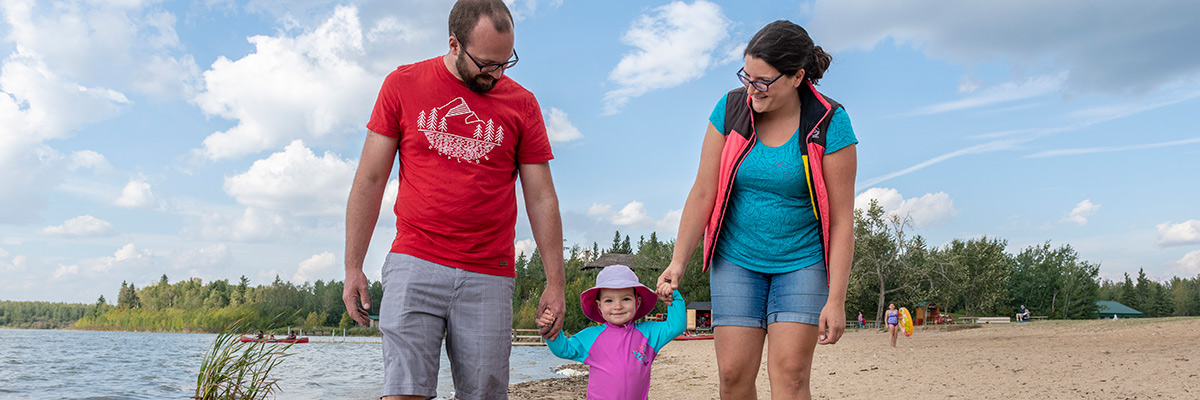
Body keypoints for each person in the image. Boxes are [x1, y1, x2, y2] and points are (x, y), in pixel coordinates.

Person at [341, 1, 567, 398]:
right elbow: (371, 178)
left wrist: (556, 282)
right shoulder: (403, 84)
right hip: (415, 260)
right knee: (403, 392)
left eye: (505, 63)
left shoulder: (523, 104)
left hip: (489, 271)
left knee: (484, 393)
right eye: (485, 64)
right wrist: (353, 266)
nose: (495, 75)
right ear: (453, 44)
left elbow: (542, 197)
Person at [654, 20, 857, 399]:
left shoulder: (830, 122)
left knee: (792, 376)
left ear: (797, 77)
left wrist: (837, 299)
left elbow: (844, 220)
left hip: (802, 263)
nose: (752, 89)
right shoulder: (731, 109)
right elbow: (703, 192)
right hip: (736, 260)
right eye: (747, 77)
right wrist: (677, 262)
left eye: (762, 81)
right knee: (732, 377)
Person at [540, 265, 685, 399]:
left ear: (638, 302)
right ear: (599, 306)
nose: (618, 306)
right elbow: (563, 349)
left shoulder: (648, 334)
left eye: (626, 299)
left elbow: (676, 326)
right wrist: (549, 325)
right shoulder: (591, 337)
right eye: (609, 301)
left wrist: (673, 297)